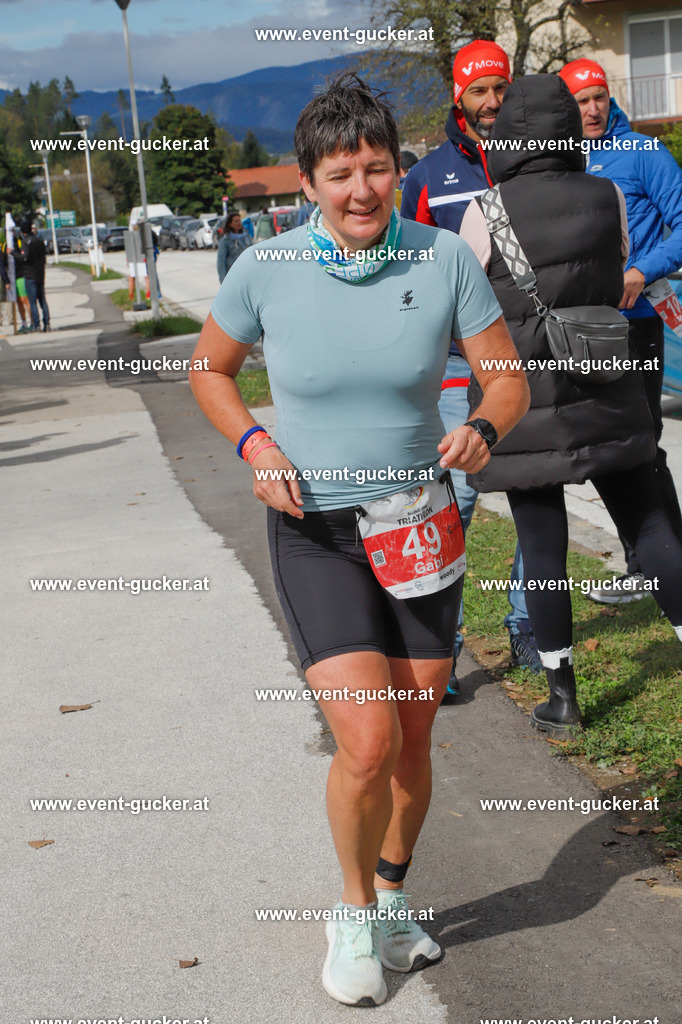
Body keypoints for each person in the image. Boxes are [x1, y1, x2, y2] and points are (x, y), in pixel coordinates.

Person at [189, 72, 529, 1008]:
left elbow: (506, 378)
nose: (360, 190)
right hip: (317, 530)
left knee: (416, 733)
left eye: (376, 168)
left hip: (420, 521)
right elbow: (208, 369)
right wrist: (256, 442)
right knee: (369, 739)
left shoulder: (442, 259)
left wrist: (485, 430)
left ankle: (390, 897)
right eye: (339, 174)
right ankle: (349, 913)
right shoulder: (265, 268)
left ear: (396, 169)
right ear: (307, 184)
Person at [459, 73, 682, 739]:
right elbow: (617, 274)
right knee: (649, 528)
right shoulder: (608, 191)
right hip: (606, 379)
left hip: (523, 399)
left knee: (543, 544)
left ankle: (563, 697)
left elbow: (472, 302)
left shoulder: (484, 209)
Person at [402, 40, 540, 700]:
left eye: (500, 89)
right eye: (480, 91)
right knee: (451, 501)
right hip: (458, 364)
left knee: (535, 493)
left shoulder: (537, 159)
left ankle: (529, 629)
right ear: (459, 95)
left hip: (528, 360)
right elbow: (403, 271)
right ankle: (443, 651)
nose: (492, 102)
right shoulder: (428, 176)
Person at [558, 59, 682, 606]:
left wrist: (642, 269)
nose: (592, 108)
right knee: (612, 449)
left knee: (643, 442)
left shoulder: (643, 153)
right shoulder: (560, 158)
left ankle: (657, 562)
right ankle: (655, 561)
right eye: (582, 99)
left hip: (636, 324)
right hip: (583, 325)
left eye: (600, 97)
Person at [23, 221, 50, 332]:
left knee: (32, 301)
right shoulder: (39, 241)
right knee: (42, 300)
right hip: (40, 274)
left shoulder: (26, 242)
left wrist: (14, 253)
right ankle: (47, 323)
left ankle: (36, 325)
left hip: (30, 275)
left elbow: (25, 257)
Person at [216, 212, 252, 283]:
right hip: (233, 276)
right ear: (230, 224)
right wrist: (223, 280)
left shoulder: (246, 237)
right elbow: (221, 262)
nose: (238, 223)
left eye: (239, 221)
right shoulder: (225, 241)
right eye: (236, 221)